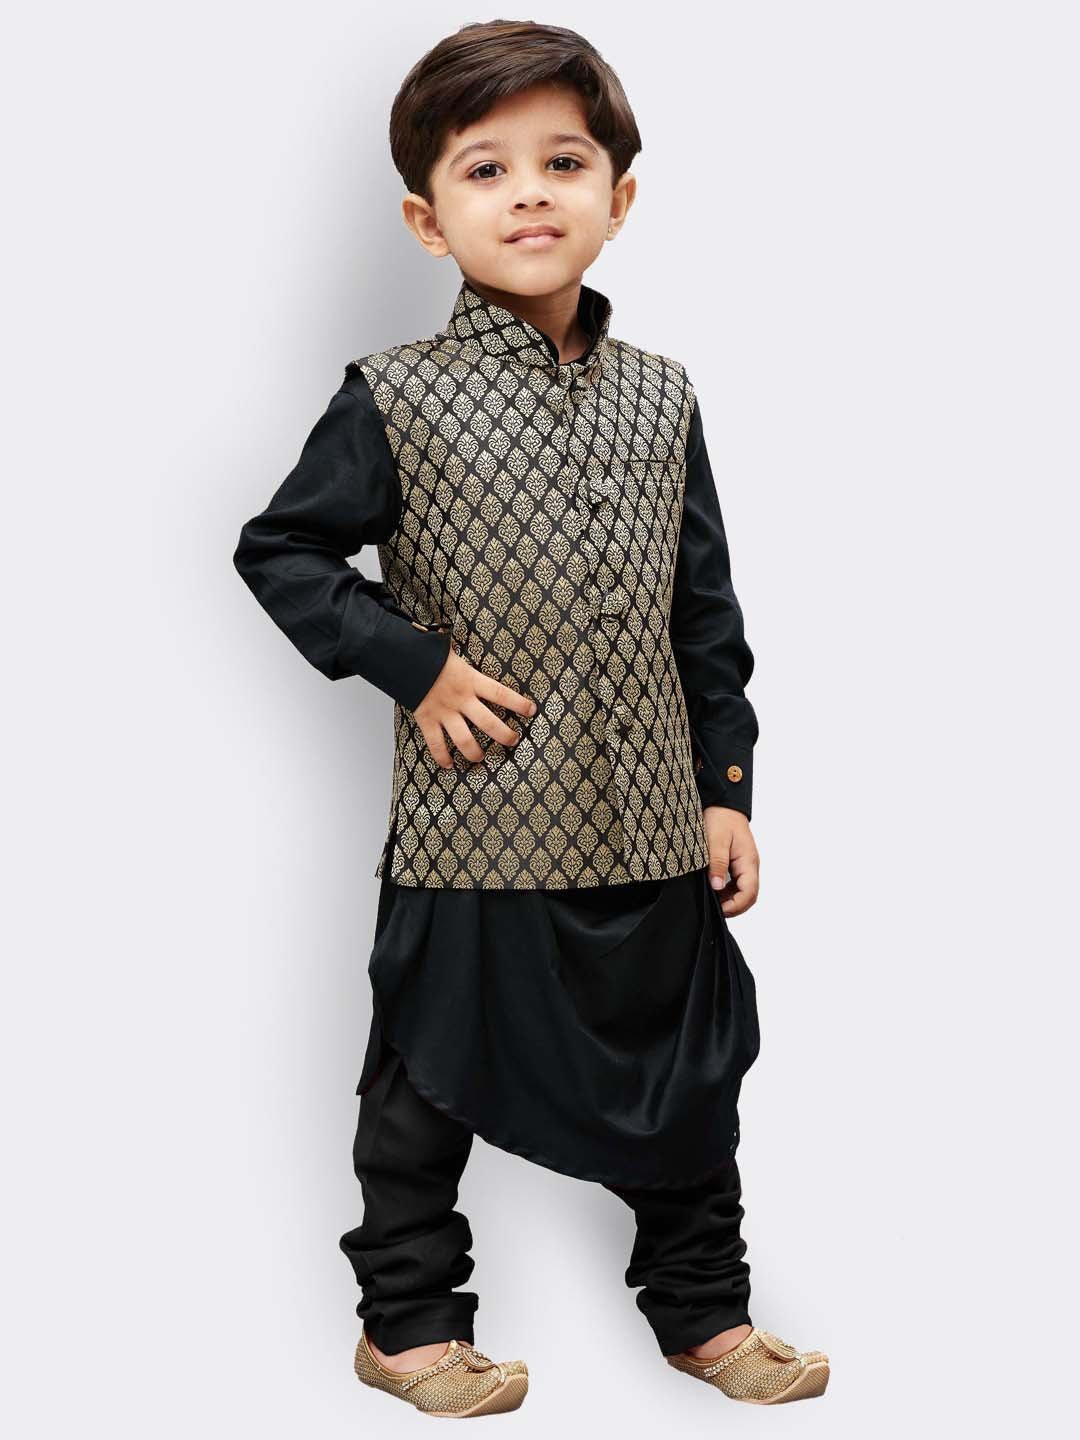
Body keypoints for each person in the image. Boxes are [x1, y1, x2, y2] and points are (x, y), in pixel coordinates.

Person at [233, 18, 829, 1416]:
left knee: (691, 1077)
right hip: (480, 820)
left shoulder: (662, 398)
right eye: (484, 169)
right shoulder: (396, 396)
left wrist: (726, 787)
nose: (529, 194)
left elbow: (706, 617)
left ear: (620, 197)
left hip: (654, 821)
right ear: (426, 220)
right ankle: (408, 1325)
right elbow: (284, 550)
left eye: (564, 162)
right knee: (425, 1080)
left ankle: (704, 1312)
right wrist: (415, 667)